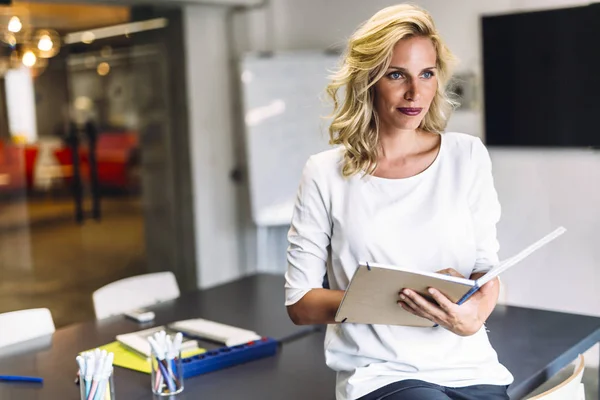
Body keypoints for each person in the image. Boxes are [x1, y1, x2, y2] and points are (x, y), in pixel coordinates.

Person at [284, 4, 514, 400]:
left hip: (471, 366)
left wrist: (475, 315)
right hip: (382, 374)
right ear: (368, 80)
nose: (415, 92)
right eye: (396, 75)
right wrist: (404, 299)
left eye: (426, 74)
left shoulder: (468, 155)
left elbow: (484, 269)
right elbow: (301, 304)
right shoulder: (325, 172)